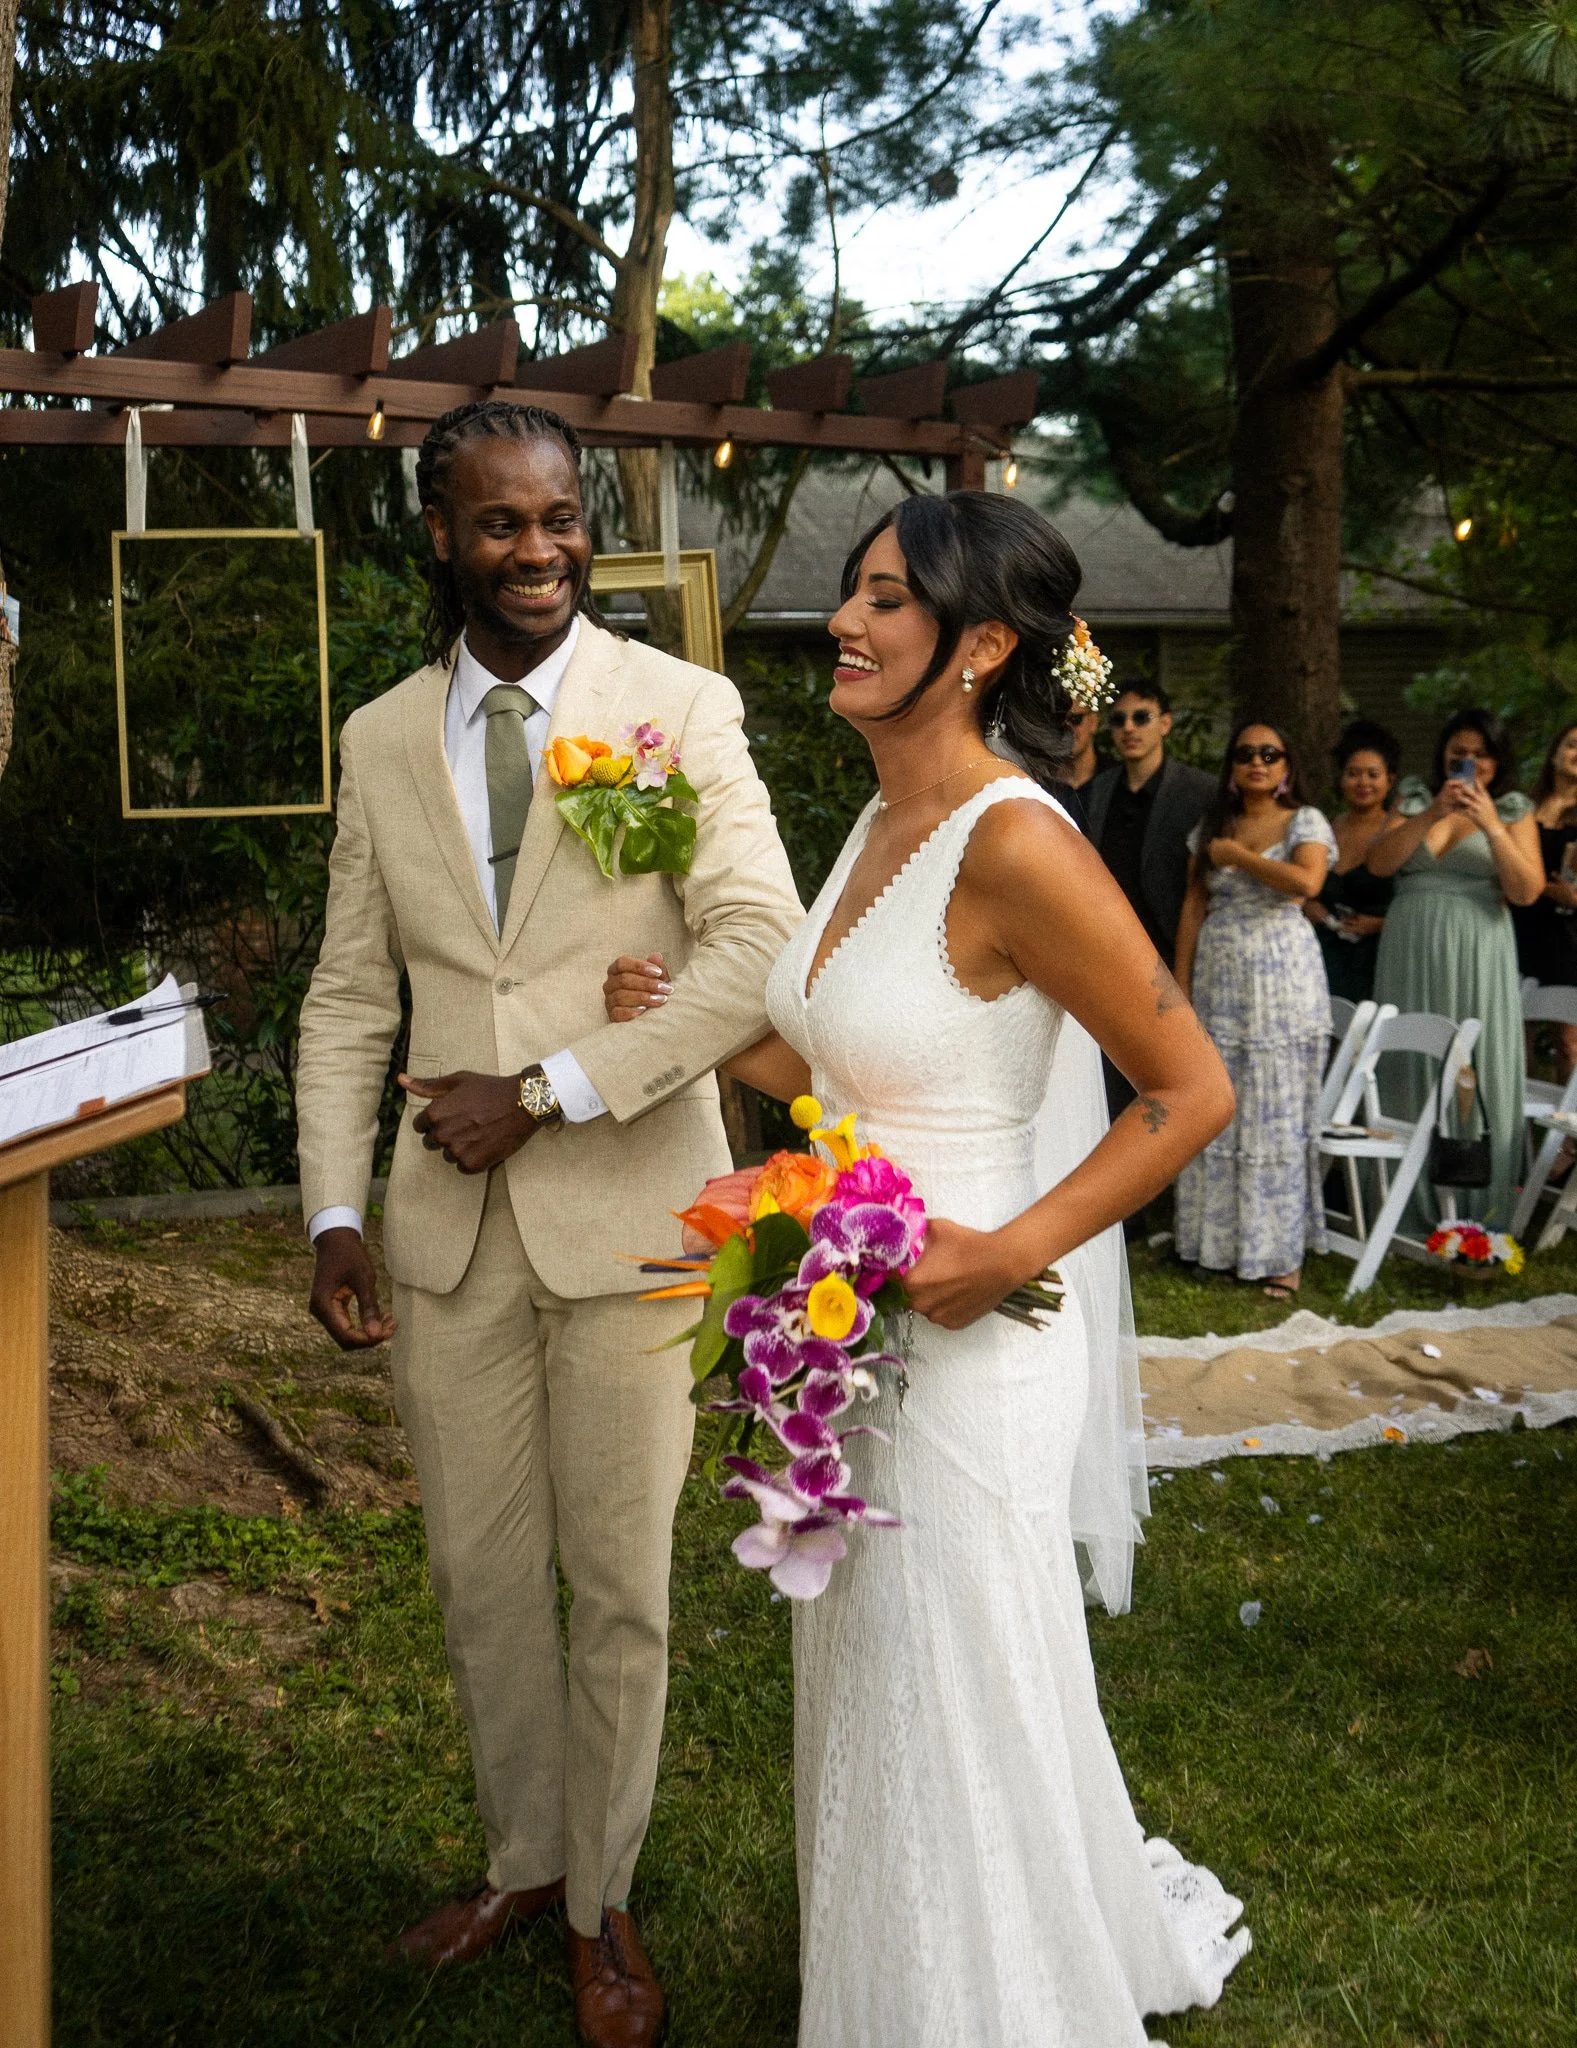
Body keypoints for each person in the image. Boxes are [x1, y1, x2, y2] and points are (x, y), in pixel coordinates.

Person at [601, 490, 1251, 2046]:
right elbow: (836, 1055)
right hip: (852, 1312)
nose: (847, 620)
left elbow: (1190, 1088)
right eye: (853, 590)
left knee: (958, 1678)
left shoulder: (1013, 838)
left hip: (968, 1331)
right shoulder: (879, 826)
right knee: (882, 1678)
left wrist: (1005, 1250)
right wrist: (679, 1008)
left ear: (978, 647)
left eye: (887, 600)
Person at [294, 400, 802, 2047]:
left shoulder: (657, 715)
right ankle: (521, 1858)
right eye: (501, 523)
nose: (538, 549)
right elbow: (348, 997)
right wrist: (328, 1208)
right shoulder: (380, 738)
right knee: (480, 1576)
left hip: (626, 1209)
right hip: (443, 1234)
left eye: (560, 518)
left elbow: (744, 949)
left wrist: (556, 1081)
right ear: (440, 535)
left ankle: (603, 1898)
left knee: (622, 1579)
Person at [1172, 720, 1335, 1300]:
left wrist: (1240, 856)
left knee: (1274, 1112)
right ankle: (1215, 1245)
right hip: (1220, 977)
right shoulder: (1212, 826)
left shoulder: (1304, 821)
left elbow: (1308, 882)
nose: (1258, 762)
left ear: (1287, 765)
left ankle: (1279, 1255)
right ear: (1233, 768)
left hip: (1281, 979)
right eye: (1245, 753)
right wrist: (1180, 987)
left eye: (1271, 752)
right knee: (1219, 1105)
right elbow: (1194, 903)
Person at [1368, 706, 1543, 1225]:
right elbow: (1380, 864)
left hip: (1478, 951)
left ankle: (1474, 1205)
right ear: (1444, 753)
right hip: (1409, 948)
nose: (1468, 762)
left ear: (1496, 760)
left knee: (1475, 1066)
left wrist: (1490, 824)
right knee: (1408, 1062)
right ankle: (1405, 1202)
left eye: (1480, 754)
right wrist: (1430, 815)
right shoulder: (1417, 799)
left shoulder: (1513, 809)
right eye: (1458, 752)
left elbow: (1527, 890)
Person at [1085, 684, 1216, 968]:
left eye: (1141, 717)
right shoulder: (1097, 791)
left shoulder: (1200, 791)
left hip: (1176, 951)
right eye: (1119, 720)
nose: (1129, 728)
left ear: (1165, 723)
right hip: (1109, 950)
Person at [1303, 719, 1400, 1003]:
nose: (1363, 783)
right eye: (1353, 774)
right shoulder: (1324, 828)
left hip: (1378, 956)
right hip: (1323, 952)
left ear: (1389, 780)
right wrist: (1310, 905)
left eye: (1373, 774)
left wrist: (1382, 923)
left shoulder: (1398, 831)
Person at [1515, 716, 1577, 1073]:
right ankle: (1518, 1126)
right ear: (1553, 754)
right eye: (1570, 744)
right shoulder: (1522, 807)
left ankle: (1569, 1129)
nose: (1576, 753)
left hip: (1566, 939)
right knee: (1515, 1037)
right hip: (1519, 930)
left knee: (1567, 1043)